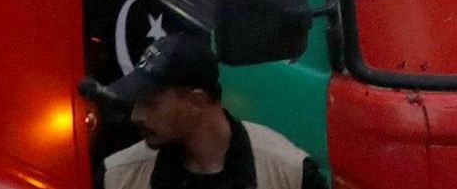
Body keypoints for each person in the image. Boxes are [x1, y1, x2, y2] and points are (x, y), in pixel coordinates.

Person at [88, 31, 321, 187]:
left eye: (151, 103)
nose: (136, 115)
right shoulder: (118, 178)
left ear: (195, 102)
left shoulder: (291, 173)